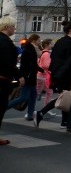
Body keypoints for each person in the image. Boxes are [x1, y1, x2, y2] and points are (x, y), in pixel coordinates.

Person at [35, 21, 71, 128]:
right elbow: (70, 61)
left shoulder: (59, 41)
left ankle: (64, 122)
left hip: (57, 73)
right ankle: (41, 113)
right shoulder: (70, 43)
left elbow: (53, 58)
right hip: (65, 75)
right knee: (64, 97)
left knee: (64, 97)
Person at [1, 16, 25, 146]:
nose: (14, 28)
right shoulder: (5, 42)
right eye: (13, 26)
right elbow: (9, 62)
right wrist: (19, 76)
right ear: (7, 27)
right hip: (3, 80)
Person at [7, 33, 40, 121]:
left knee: (33, 96)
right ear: (34, 40)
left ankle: (30, 114)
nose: (39, 42)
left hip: (31, 76)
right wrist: (24, 76)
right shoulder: (29, 49)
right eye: (38, 40)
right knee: (23, 97)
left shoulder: (30, 48)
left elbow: (33, 64)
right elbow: (28, 65)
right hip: (28, 77)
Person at [37, 39, 53, 104]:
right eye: (51, 44)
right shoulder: (46, 54)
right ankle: (45, 109)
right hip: (44, 76)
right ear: (46, 45)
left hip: (40, 75)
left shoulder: (42, 52)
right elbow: (46, 65)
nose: (52, 45)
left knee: (48, 92)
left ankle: (44, 109)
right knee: (49, 92)